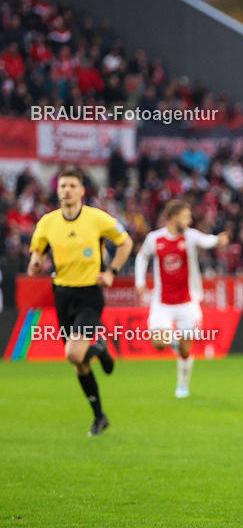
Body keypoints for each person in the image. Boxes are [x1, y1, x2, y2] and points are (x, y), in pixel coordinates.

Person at [28, 167, 133, 436]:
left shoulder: (97, 219)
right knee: (79, 363)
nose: (67, 190)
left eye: (72, 186)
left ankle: (98, 345)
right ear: (57, 189)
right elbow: (37, 254)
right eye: (63, 186)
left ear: (82, 190)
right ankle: (99, 417)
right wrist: (36, 263)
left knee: (73, 353)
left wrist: (111, 272)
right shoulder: (47, 223)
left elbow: (126, 242)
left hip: (89, 295)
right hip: (62, 295)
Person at [135, 200, 228, 398]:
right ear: (174, 217)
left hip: (188, 302)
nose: (190, 220)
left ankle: (182, 384)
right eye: (186, 216)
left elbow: (205, 240)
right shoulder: (155, 238)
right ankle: (174, 341)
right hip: (162, 302)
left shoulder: (191, 236)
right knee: (158, 342)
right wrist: (140, 281)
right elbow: (142, 257)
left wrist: (217, 240)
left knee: (186, 349)